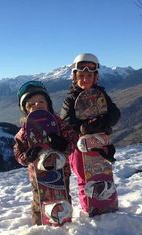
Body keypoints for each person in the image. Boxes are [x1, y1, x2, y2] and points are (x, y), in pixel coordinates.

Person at [60, 53, 121, 215]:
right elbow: (66, 121)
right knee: (84, 176)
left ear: (96, 77)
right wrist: (82, 128)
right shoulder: (70, 99)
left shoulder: (102, 95)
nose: (85, 79)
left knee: (102, 173)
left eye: (89, 75)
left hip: (100, 143)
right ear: (75, 77)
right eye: (81, 75)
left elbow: (115, 114)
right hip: (80, 147)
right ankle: (89, 205)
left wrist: (104, 122)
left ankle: (107, 202)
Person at [14, 80, 78, 225]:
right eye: (31, 104)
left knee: (63, 195)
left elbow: (73, 140)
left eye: (41, 101)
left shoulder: (59, 123)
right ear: (26, 110)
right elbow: (18, 151)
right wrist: (26, 157)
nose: (36, 105)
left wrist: (64, 145)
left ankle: (65, 220)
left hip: (61, 171)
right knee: (39, 199)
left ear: (48, 104)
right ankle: (40, 225)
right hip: (38, 174)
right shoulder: (25, 131)